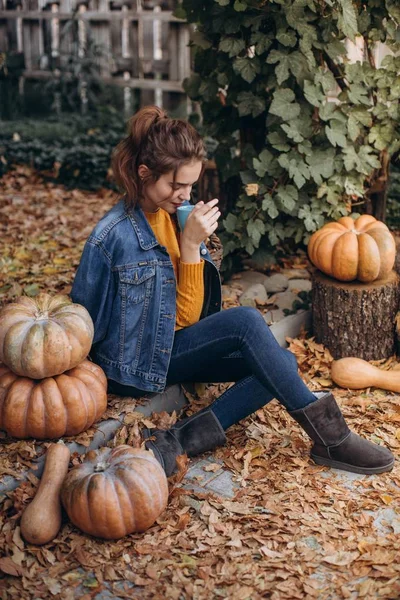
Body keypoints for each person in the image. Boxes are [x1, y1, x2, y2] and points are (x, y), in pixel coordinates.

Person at [71, 105, 394, 478]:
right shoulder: (111, 236)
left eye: (190, 185)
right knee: (245, 321)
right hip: (136, 362)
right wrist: (191, 247)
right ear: (144, 174)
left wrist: (193, 243)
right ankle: (332, 439)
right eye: (175, 185)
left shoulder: (175, 216)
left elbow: (191, 316)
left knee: (280, 366)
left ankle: (179, 440)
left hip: (173, 346)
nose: (184, 194)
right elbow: (82, 318)